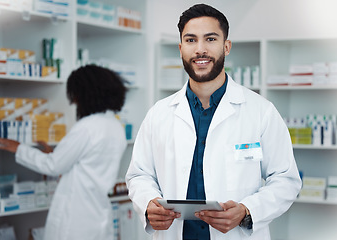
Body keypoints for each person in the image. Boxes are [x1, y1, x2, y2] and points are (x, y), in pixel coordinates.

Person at [125, 3, 301, 240]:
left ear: (226, 46)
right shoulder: (159, 114)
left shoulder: (261, 112)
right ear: (180, 48)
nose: (200, 50)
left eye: (210, 39)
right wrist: (148, 203)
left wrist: (247, 211)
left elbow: (286, 180)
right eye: (190, 40)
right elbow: (139, 174)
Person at [0, 65, 128, 240]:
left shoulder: (87, 127)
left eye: (75, 95)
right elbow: (85, 164)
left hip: (76, 219)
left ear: (86, 94)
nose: (73, 102)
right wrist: (54, 153)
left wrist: (18, 148)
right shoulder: (115, 127)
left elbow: (53, 166)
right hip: (98, 213)